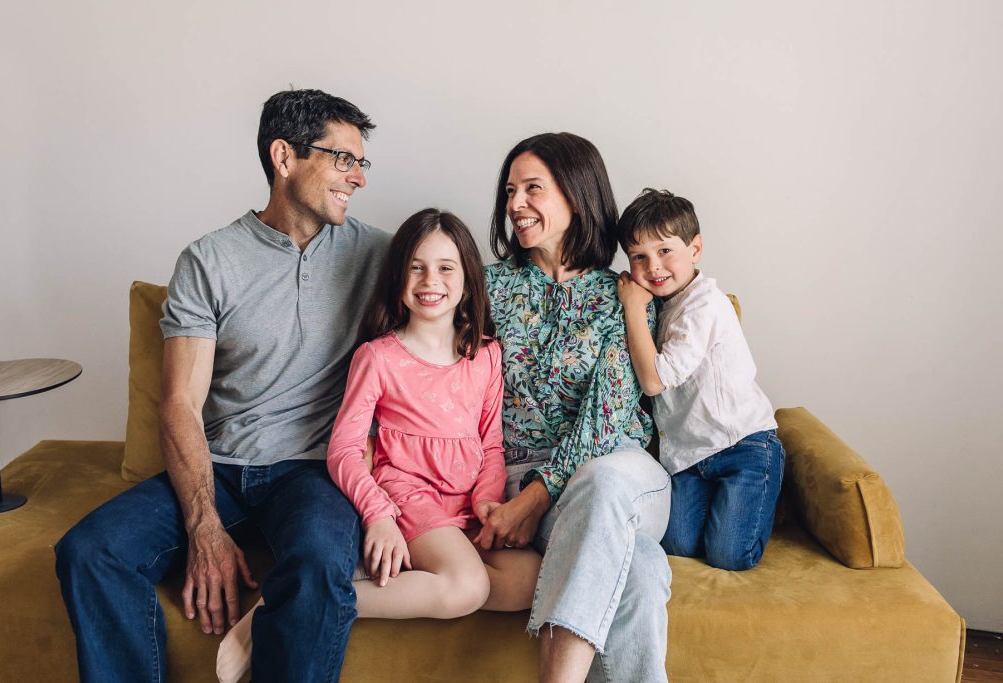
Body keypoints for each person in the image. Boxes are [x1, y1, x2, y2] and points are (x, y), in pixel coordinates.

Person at [54, 88, 390, 683]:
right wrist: (203, 523)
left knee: (317, 561)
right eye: (344, 159)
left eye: (363, 162)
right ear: (284, 157)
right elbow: (180, 400)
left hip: (315, 471)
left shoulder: (380, 256)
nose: (359, 178)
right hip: (222, 467)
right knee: (90, 551)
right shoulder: (208, 261)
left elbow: (454, 293)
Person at [216, 208, 541, 683]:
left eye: (446, 267)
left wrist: (489, 502)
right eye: (416, 266)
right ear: (398, 277)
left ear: (469, 279)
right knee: (467, 586)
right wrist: (379, 515)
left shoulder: (486, 354)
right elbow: (344, 451)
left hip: (465, 501)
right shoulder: (378, 357)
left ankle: (335, 586)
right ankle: (296, 602)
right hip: (406, 495)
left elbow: (490, 445)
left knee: (529, 578)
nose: (431, 279)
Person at [476, 133, 673, 683]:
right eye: (510, 191)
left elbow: (606, 417)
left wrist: (532, 502)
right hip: (520, 479)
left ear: (578, 195)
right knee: (639, 568)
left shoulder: (626, 294)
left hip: (624, 471)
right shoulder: (486, 287)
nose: (515, 204)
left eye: (532, 188)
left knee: (605, 480)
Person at [616, 188, 784, 571]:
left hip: (742, 445)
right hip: (689, 458)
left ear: (695, 249)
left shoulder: (705, 303)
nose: (653, 267)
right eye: (638, 257)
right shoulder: (660, 306)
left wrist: (632, 307)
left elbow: (655, 381)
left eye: (664, 251)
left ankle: (763, 488)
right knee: (676, 544)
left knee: (728, 555)